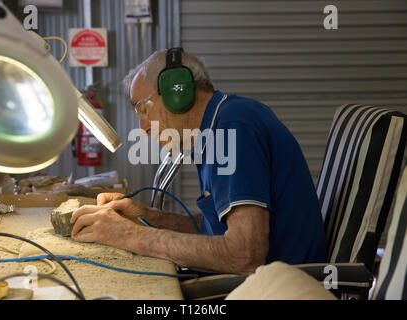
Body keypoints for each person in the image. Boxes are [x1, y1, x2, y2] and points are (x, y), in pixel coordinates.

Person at [70, 48, 326, 275]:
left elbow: (245, 254)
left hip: (281, 290)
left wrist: (129, 235)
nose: (143, 127)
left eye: (143, 109)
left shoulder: (233, 127)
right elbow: (219, 226)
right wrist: (150, 219)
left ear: (176, 92)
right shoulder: (218, 127)